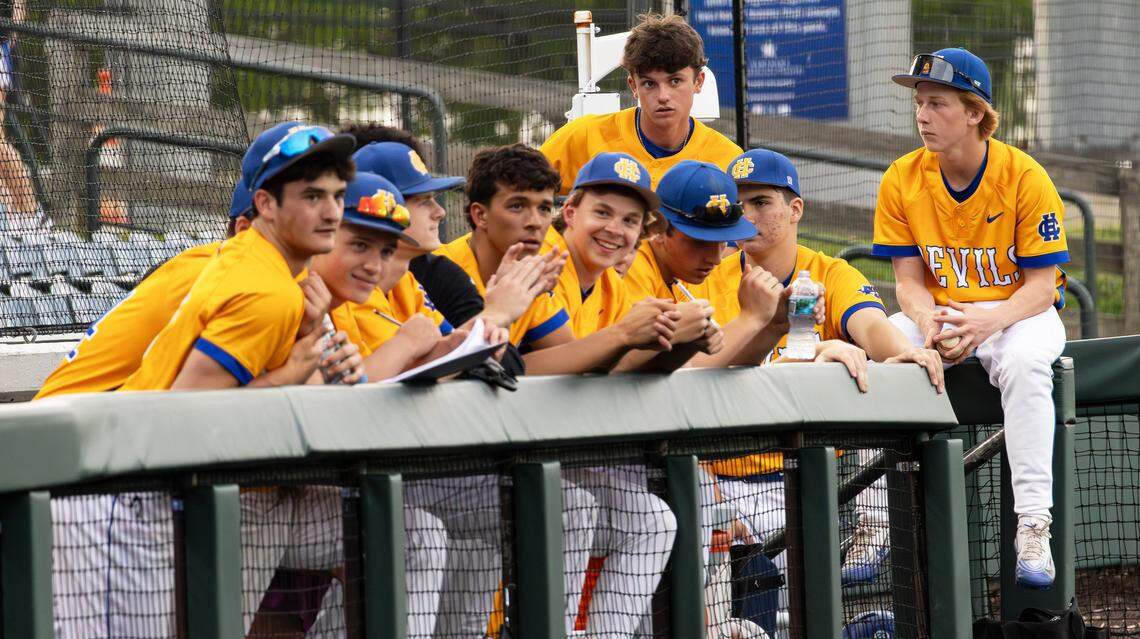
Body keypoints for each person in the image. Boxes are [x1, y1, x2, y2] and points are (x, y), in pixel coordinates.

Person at [703, 149, 944, 599]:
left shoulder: (829, 274)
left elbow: (872, 327)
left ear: (795, 209)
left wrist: (903, 353)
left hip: (805, 484)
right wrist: (818, 350)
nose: (747, 215)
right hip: (717, 484)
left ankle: (874, 529)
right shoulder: (707, 276)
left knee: (874, 371)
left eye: (761, 202)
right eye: (738, 204)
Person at [874, 47, 1069, 588]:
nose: (922, 114)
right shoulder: (902, 178)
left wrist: (986, 325)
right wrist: (927, 321)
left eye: (937, 103)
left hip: (1019, 311)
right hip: (942, 310)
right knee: (881, 341)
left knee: (1028, 363)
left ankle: (1033, 523)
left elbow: (1043, 286)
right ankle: (869, 520)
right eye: (919, 102)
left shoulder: (1023, 176)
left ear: (975, 112)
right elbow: (908, 281)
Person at [540, 13, 741, 192]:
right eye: (649, 83)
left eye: (675, 81)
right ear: (633, 86)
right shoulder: (583, 138)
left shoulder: (727, 160)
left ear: (698, 82)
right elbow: (518, 193)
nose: (663, 96)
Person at [622, 159, 785, 368]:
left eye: (722, 241)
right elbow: (666, 373)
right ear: (659, 229)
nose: (716, 259)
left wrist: (773, 327)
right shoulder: (633, 269)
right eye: (701, 242)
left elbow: (709, 367)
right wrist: (750, 318)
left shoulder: (676, 272)